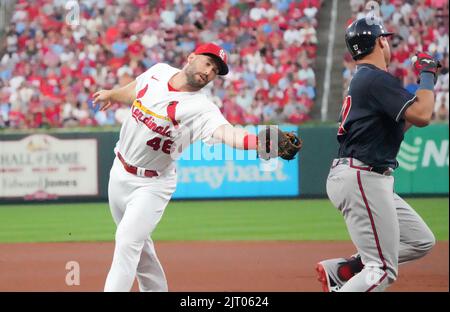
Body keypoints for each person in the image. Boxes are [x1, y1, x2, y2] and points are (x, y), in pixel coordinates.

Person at [93, 43, 264, 292]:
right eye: (208, 63)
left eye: (216, 70)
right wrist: (112, 94)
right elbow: (134, 92)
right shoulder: (159, 72)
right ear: (191, 57)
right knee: (141, 252)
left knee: (127, 242)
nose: (210, 72)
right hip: (118, 172)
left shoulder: (203, 109)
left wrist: (265, 143)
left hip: (152, 184)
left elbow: (230, 135)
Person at [315, 17, 439, 292]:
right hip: (362, 175)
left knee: (420, 240)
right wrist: (427, 76)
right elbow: (422, 115)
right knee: (381, 270)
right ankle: (361, 270)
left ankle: (344, 270)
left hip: (366, 176)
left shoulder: (366, 79)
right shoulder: (373, 78)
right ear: (380, 42)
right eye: (386, 38)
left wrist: (425, 86)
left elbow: (403, 122)